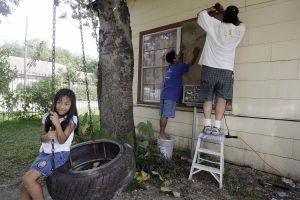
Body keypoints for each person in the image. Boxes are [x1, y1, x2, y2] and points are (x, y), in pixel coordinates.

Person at [197, 3, 246, 135]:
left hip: (210, 67)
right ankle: (217, 127)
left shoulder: (214, 24)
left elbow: (200, 15)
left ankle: (207, 125)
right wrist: (229, 15)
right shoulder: (240, 29)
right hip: (226, 69)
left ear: (223, 16)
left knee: (207, 98)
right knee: (222, 99)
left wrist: (212, 9)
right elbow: (239, 23)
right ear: (235, 18)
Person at [21, 88, 78, 200]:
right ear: (55, 102)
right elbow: (41, 138)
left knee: (28, 180)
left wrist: (57, 123)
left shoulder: (72, 120)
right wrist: (46, 137)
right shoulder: (48, 116)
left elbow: (62, 140)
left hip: (58, 154)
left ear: (71, 106)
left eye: (66, 104)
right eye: (59, 102)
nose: (62, 106)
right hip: (44, 153)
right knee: (24, 186)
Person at [159, 47, 200, 139]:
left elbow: (178, 61)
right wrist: (196, 54)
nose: (178, 56)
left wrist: (181, 52)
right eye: (177, 56)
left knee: (163, 115)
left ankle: (161, 133)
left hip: (164, 95)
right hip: (170, 96)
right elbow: (191, 63)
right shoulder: (178, 68)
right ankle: (162, 134)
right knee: (165, 116)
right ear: (174, 59)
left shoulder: (169, 68)